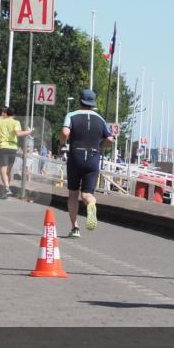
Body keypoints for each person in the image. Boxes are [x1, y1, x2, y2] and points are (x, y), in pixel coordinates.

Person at [59, 89, 112, 237]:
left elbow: (64, 132)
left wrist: (62, 144)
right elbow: (110, 139)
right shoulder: (100, 119)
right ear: (93, 103)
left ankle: (75, 228)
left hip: (76, 155)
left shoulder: (72, 115)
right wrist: (101, 146)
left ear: (80, 101)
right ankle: (91, 204)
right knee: (87, 193)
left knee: (73, 194)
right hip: (93, 157)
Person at [0, 106, 33, 198]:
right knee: (9, 170)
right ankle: (5, 191)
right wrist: (29, 132)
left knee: (2, 170)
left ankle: (7, 189)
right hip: (13, 147)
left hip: (3, 146)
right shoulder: (16, 122)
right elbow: (18, 133)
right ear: (15, 114)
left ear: (6, 113)